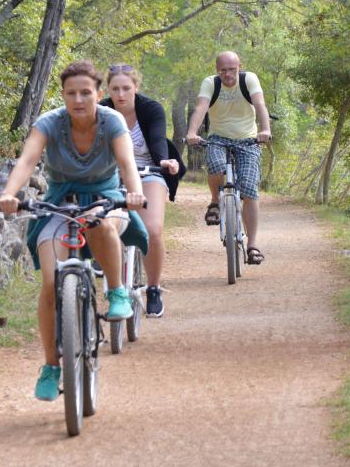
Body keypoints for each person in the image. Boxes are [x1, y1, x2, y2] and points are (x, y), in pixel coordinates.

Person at [0, 60, 147, 402]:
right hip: (60, 202)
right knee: (51, 283)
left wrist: (134, 193)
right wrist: (9, 194)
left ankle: (117, 292)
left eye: (85, 93)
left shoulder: (112, 121)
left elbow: (126, 163)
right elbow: (27, 161)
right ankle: (51, 366)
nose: (78, 100)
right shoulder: (49, 123)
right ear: (63, 95)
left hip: (106, 198)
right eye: (71, 93)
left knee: (99, 223)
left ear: (98, 93)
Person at [101, 63, 185, 318]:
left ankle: (154, 288)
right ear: (108, 90)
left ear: (136, 87)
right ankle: (114, 286)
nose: (121, 94)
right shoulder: (101, 111)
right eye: (115, 89)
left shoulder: (151, 109)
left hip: (149, 170)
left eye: (126, 88)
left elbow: (158, 140)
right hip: (112, 175)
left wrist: (164, 161)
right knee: (100, 225)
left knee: (152, 229)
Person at [185, 51, 272, 265]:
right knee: (215, 166)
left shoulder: (249, 79)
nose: (227, 74)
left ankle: (252, 246)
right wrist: (192, 133)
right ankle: (215, 202)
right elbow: (201, 107)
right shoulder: (211, 83)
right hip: (218, 138)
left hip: (248, 140)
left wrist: (265, 130)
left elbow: (259, 104)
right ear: (217, 70)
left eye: (232, 69)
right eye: (223, 70)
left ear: (239, 67)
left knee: (249, 189)